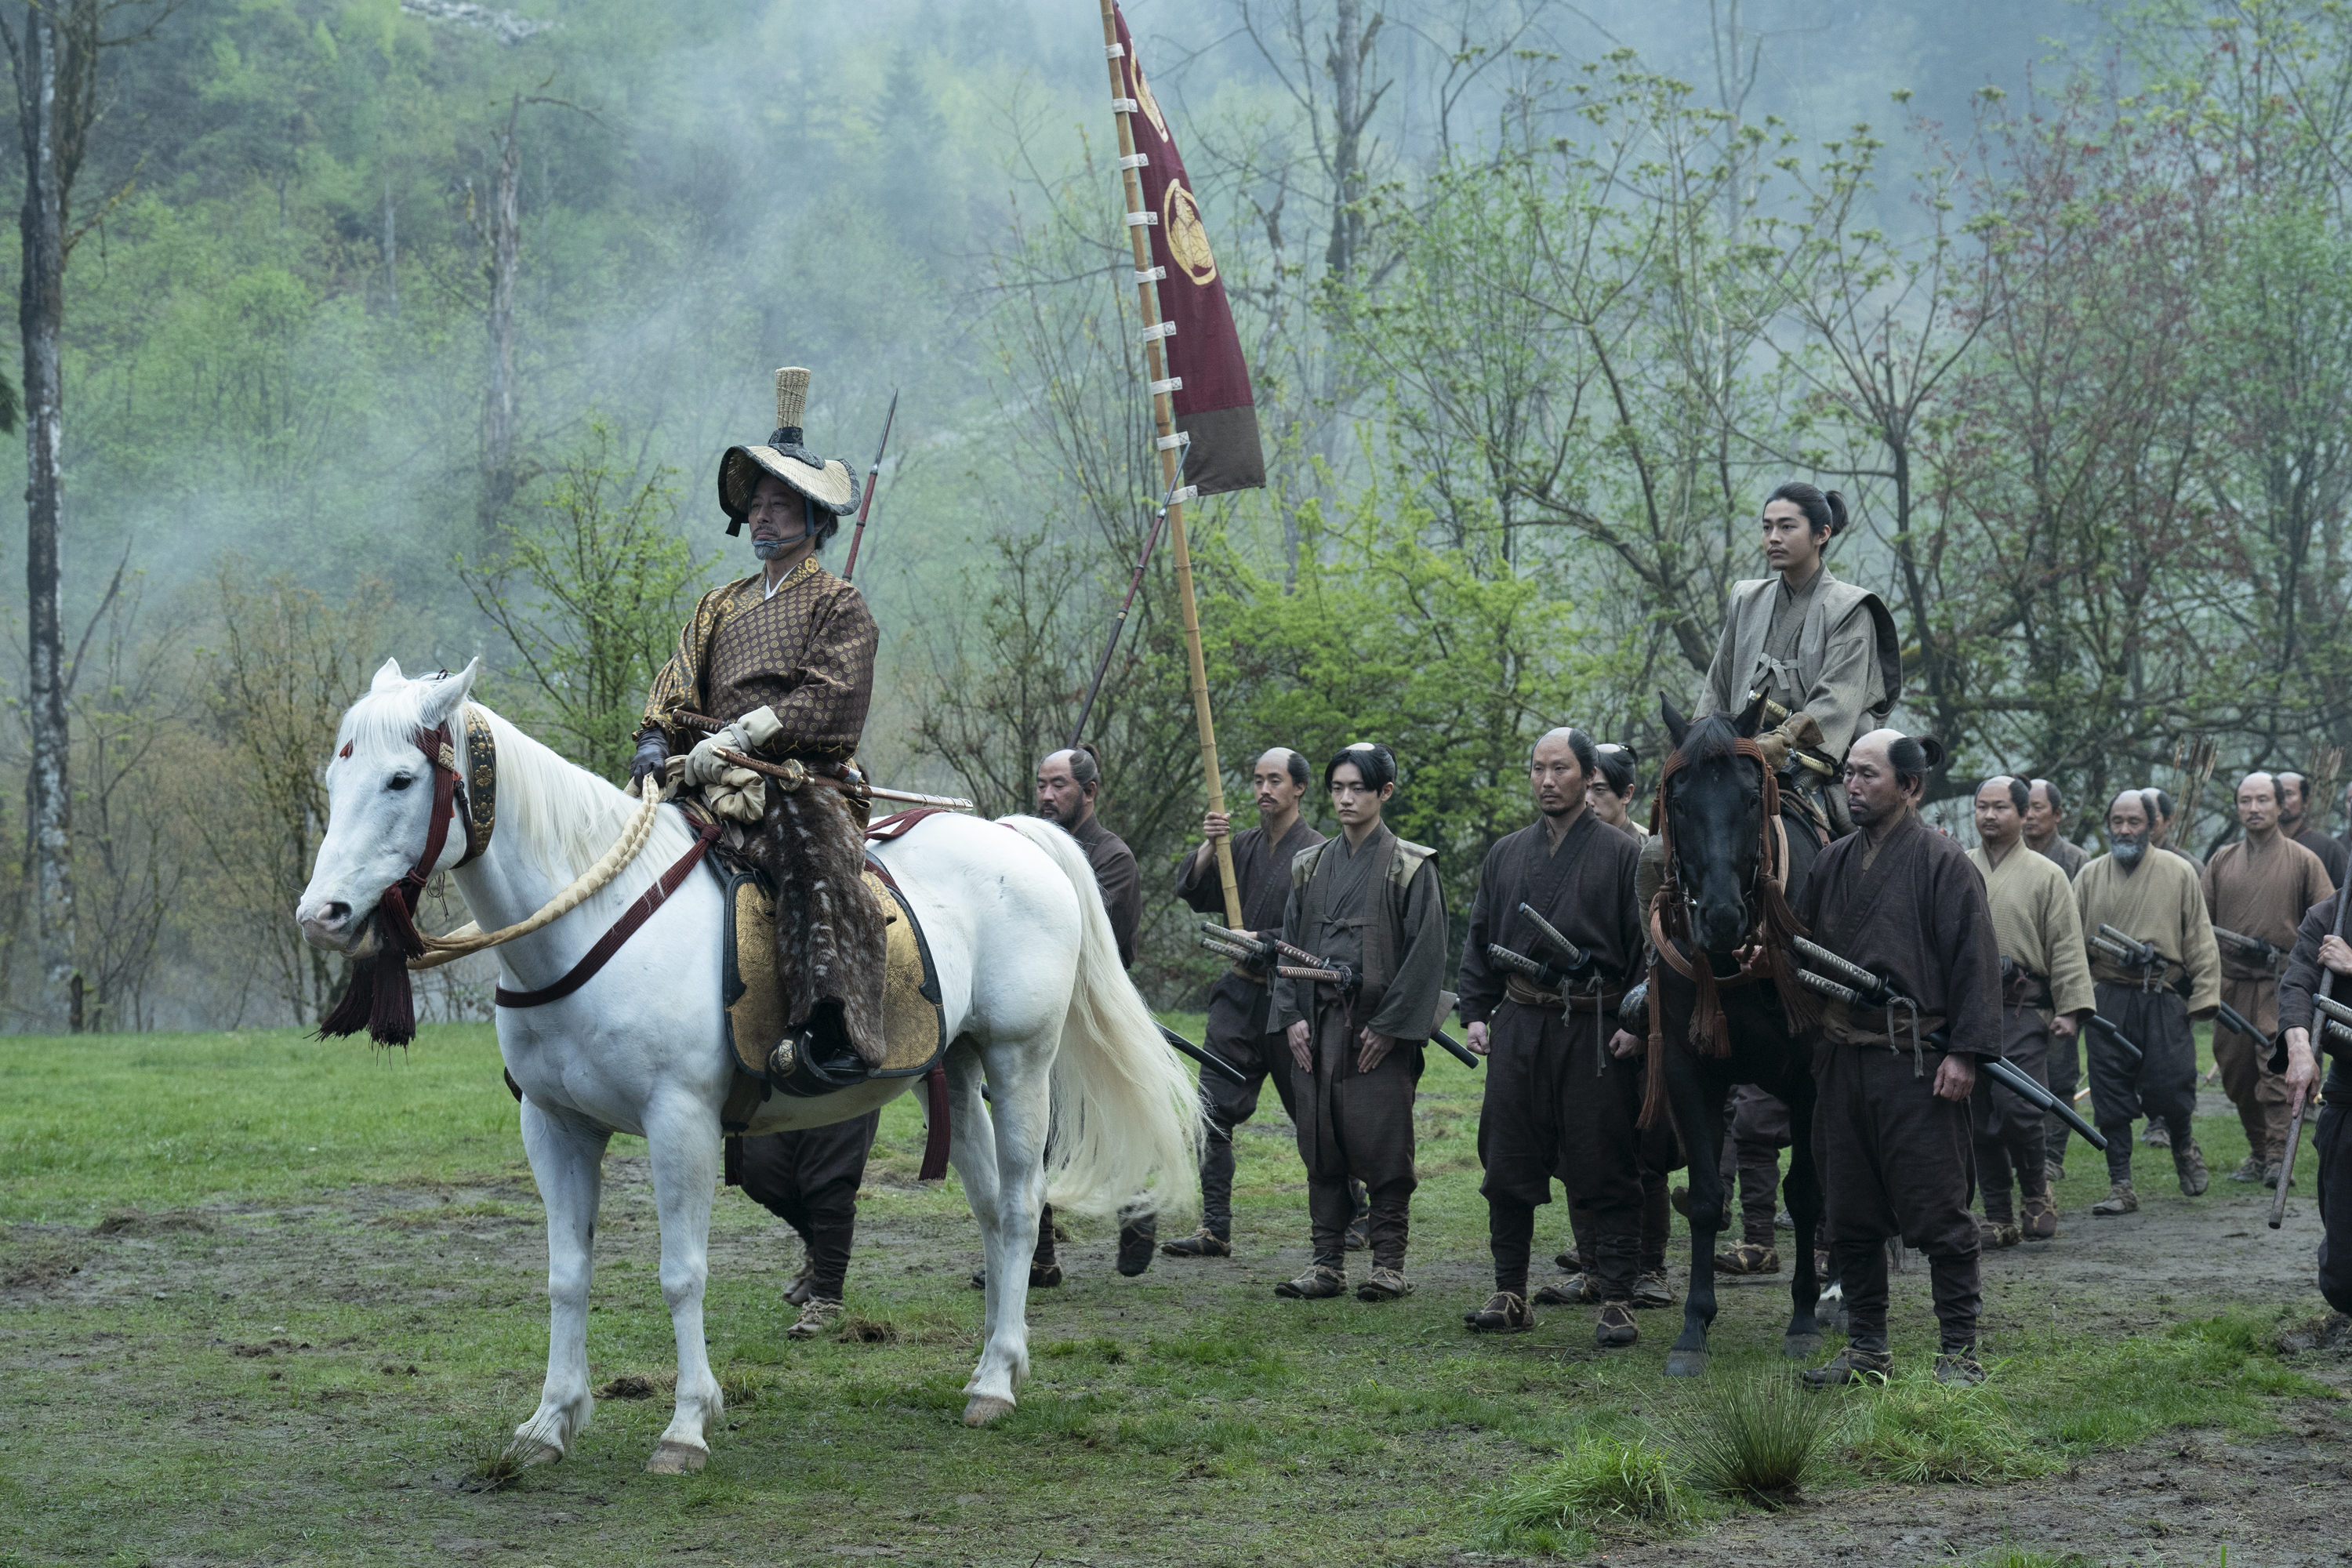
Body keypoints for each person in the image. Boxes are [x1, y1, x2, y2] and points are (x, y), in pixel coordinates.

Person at [636, 365, 884, 1080]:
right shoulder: (717, 603)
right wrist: (657, 740)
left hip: (798, 778)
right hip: (703, 774)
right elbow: (677, 680)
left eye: (780, 505)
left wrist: (746, 735)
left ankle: (827, 1027)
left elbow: (834, 699)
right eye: (756, 505)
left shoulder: (840, 604)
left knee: (811, 853)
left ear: (816, 520)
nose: (762, 518)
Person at [1794, 731, 2003, 1388]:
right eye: (1847, 775)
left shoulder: (1944, 863)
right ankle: (1867, 1350)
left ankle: (1959, 1353)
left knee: (1939, 1210)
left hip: (1917, 1061)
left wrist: (1965, 1054)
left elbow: (1976, 964)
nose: (1851, 787)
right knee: (1848, 1211)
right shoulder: (1830, 865)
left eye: (1868, 775)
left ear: (1910, 787)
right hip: (1844, 1059)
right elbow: (1802, 950)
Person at [1454, 728, 1646, 1344]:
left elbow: (1647, 956)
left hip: (1594, 1028)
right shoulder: (1506, 854)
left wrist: (1637, 1026)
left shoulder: (1623, 856)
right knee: (1506, 1157)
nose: (1545, 781)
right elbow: (1480, 939)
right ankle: (1510, 1290)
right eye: (1537, 769)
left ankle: (1617, 1296)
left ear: (1587, 776)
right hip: (1521, 1025)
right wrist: (1477, 1013)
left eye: (1559, 769)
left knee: (1605, 1158)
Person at [1269, 743, 1448, 1302]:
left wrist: (1392, 1027)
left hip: (1378, 1032)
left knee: (1385, 1145)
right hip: (1317, 1026)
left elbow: (1427, 954)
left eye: (1359, 789)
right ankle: (1326, 1264)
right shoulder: (1309, 865)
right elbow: (1288, 948)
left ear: (1384, 793)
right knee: (1320, 1143)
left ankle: (1388, 1265)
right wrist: (1292, 1016)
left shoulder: (1410, 866)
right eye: (1338, 788)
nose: (1346, 799)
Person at [1163, 748, 1329, 1259]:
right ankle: (1215, 1228)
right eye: (1257, 779)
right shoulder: (1241, 848)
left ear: (1298, 788)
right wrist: (1212, 846)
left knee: (1315, 1115)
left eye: (1274, 780)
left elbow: (1322, 933)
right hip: (1237, 996)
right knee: (1209, 1114)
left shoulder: (1320, 853)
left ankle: (1354, 1215)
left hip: (1291, 997)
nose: (1263, 789)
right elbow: (1191, 889)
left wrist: (1264, 938)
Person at [1700, 481, 1901, 834]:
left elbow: (1837, 700)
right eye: (1767, 527)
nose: (1773, 537)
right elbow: (1718, 685)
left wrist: (1782, 740)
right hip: (1738, 756)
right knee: (1668, 846)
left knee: (1851, 852)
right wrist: (1700, 742)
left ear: (1821, 534)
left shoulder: (1851, 608)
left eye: (1787, 527)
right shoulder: (1746, 599)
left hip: (1814, 763)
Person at [1025, 743, 1151, 1278]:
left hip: (1094, 1016)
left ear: (1090, 792)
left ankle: (1138, 1213)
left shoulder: (1113, 857)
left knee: (1103, 1128)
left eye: (1060, 786)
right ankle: (1038, 1258)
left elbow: (1100, 944)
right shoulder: (1029, 849)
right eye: (1042, 785)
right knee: (1031, 1136)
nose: (1048, 796)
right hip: (1039, 1012)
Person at [2073, 789, 2222, 1213]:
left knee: (2172, 1083)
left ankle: (2183, 1147)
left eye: (2133, 821)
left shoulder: (2178, 872)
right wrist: (2075, 999)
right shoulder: (2089, 876)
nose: (2124, 829)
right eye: (2117, 821)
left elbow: (2200, 937)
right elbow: (2070, 943)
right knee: (2109, 1091)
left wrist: (2205, 995)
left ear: (2152, 824)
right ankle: (2121, 1184)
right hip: (2108, 997)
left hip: (2163, 994)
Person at [1966, 776, 2094, 1246]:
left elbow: (2066, 944)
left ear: (2023, 814)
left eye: (2000, 807)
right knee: (1978, 1112)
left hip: (2025, 1007)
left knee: (2019, 1107)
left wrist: (2070, 1008)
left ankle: (2036, 1191)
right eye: (1982, 807)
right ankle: (1998, 1214)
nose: (1990, 816)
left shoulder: (2047, 874)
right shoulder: (1959, 866)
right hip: (1972, 1008)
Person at [2203, 773, 2332, 1186]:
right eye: (2245, 800)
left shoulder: (2303, 860)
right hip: (2232, 984)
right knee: (2237, 1074)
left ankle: (2279, 1157)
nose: (2254, 808)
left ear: (2281, 805)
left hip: (2283, 982)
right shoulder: (2221, 861)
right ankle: (2259, 1151)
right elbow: (2201, 925)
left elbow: (2328, 922)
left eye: (2263, 800)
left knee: (2278, 1070)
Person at [728, 1112, 883, 1338]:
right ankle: (822, 1246)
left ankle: (826, 1299)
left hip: (845, 1083)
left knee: (830, 1182)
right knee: (755, 1169)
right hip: (773, 1082)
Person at [2271, 891, 2352, 1315]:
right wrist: (2301, 1048)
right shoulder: (2328, 916)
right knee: (2345, 1265)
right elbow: (2299, 982)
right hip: (2349, 1095)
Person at [2277, 771, 2350, 887]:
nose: (2281, 801)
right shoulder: (2261, 846)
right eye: (2277, 795)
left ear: (2306, 801)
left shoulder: (2329, 848)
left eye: (2289, 794)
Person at [2024, 779, 2089, 880]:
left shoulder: (2076, 859)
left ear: (2057, 814)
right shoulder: (2010, 855)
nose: (2029, 815)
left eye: (2038, 808)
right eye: (2025, 808)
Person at [1588, 743, 1646, 840]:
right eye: (1584, 789)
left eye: (1599, 790)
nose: (1587, 801)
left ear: (1627, 794)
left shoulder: (1648, 850)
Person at [2145, 788, 2206, 876]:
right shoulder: (2122, 861)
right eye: (2136, 819)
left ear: (2168, 820)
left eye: (2151, 816)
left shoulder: (2188, 866)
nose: (2143, 823)